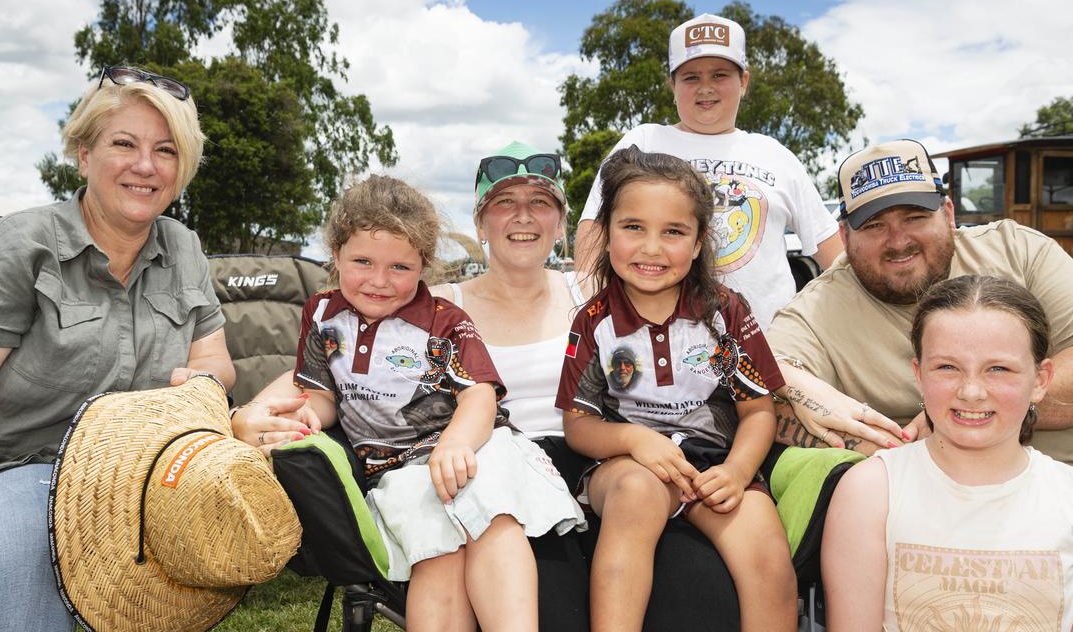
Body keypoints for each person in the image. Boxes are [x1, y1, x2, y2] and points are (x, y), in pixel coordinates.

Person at [0, 65, 234, 632]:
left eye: (166, 151)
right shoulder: (24, 244)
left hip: (47, 471)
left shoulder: (183, 248)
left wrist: (194, 394)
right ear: (84, 154)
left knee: (9, 593)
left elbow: (213, 363)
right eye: (124, 143)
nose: (145, 165)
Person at [767, 138, 1073, 629]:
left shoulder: (1019, 249)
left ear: (947, 212)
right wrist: (813, 399)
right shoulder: (818, 310)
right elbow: (766, 379)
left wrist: (954, 418)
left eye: (914, 216)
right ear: (844, 235)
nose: (898, 239)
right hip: (940, 492)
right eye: (874, 225)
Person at [244, 174, 584, 632]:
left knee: (491, 523)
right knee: (434, 553)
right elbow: (322, 393)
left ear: (424, 264)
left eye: (400, 268)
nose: (379, 282)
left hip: (476, 447)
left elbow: (480, 394)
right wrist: (308, 414)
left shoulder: (444, 321)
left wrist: (456, 444)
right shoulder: (323, 314)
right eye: (362, 261)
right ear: (336, 255)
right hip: (395, 467)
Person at [432, 140, 744, 630]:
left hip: (607, 465)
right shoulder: (438, 305)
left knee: (700, 594)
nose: (523, 216)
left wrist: (815, 399)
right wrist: (273, 404)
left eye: (540, 203)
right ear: (480, 222)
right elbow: (341, 334)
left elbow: (724, 338)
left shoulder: (596, 292)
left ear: (561, 223)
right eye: (504, 203)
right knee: (557, 610)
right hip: (505, 478)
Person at [557, 147, 796, 632]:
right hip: (627, 467)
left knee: (767, 554)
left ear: (699, 241)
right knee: (635, 494)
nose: (652, 247)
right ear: (605, 235)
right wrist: (634, 440)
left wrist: (736, 471)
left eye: (673, 232)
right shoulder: (594, 321)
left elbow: (759, 413)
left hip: (714, 469)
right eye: (633, 227)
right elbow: (577, 427)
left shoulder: (724, 312)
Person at [822, 275, 1073, 631]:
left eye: (998, 369)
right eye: (947, 367)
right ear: (918, 374)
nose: (971, 392)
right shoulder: (871, 492)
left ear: (1040, 380)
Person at [574, 12, 841, 329]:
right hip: (658, 348)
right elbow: (594, 231)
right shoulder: (643, 141)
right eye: (690, 77)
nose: (705, 88)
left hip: (768, 348)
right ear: (672, 85)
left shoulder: (776, 155)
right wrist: (594, 319)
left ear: (743, 82)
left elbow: (834, 255)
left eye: (719, 75)